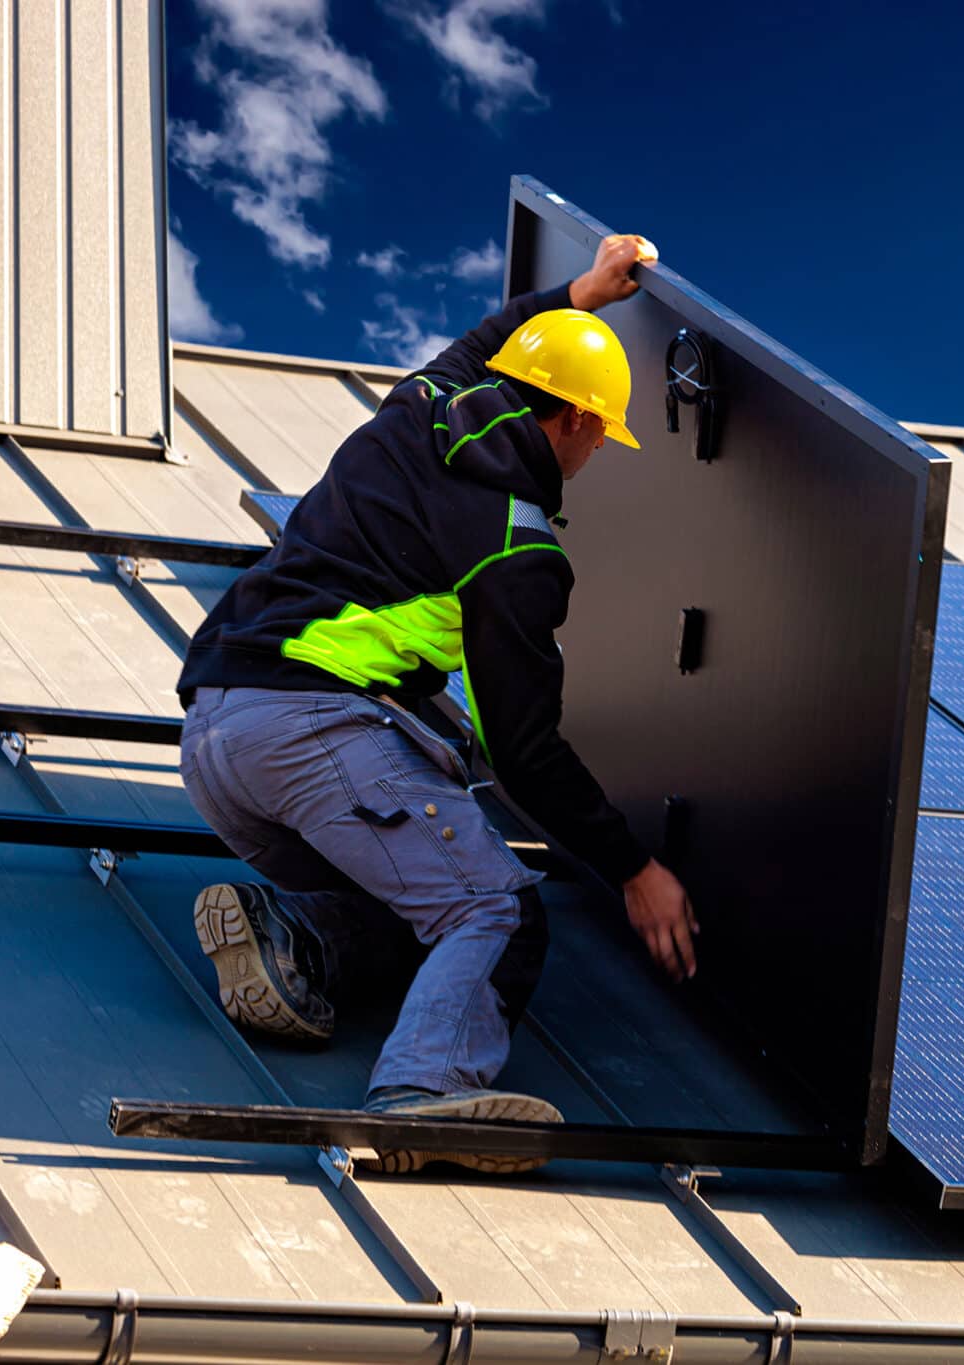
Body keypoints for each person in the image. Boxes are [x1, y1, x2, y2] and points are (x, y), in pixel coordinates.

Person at [175, 234, 698, 1174]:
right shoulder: (518, 545)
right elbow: (527, 745)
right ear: (579, 422)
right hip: (317, 735)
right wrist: (633, 868)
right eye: (600, 437)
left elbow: (482, 343)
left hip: (217, 736)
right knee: (495, 908)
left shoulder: (420, 406)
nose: (594, 457)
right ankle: (422, 1093)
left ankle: (295, 934)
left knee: (421, 875)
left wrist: (579, 292)